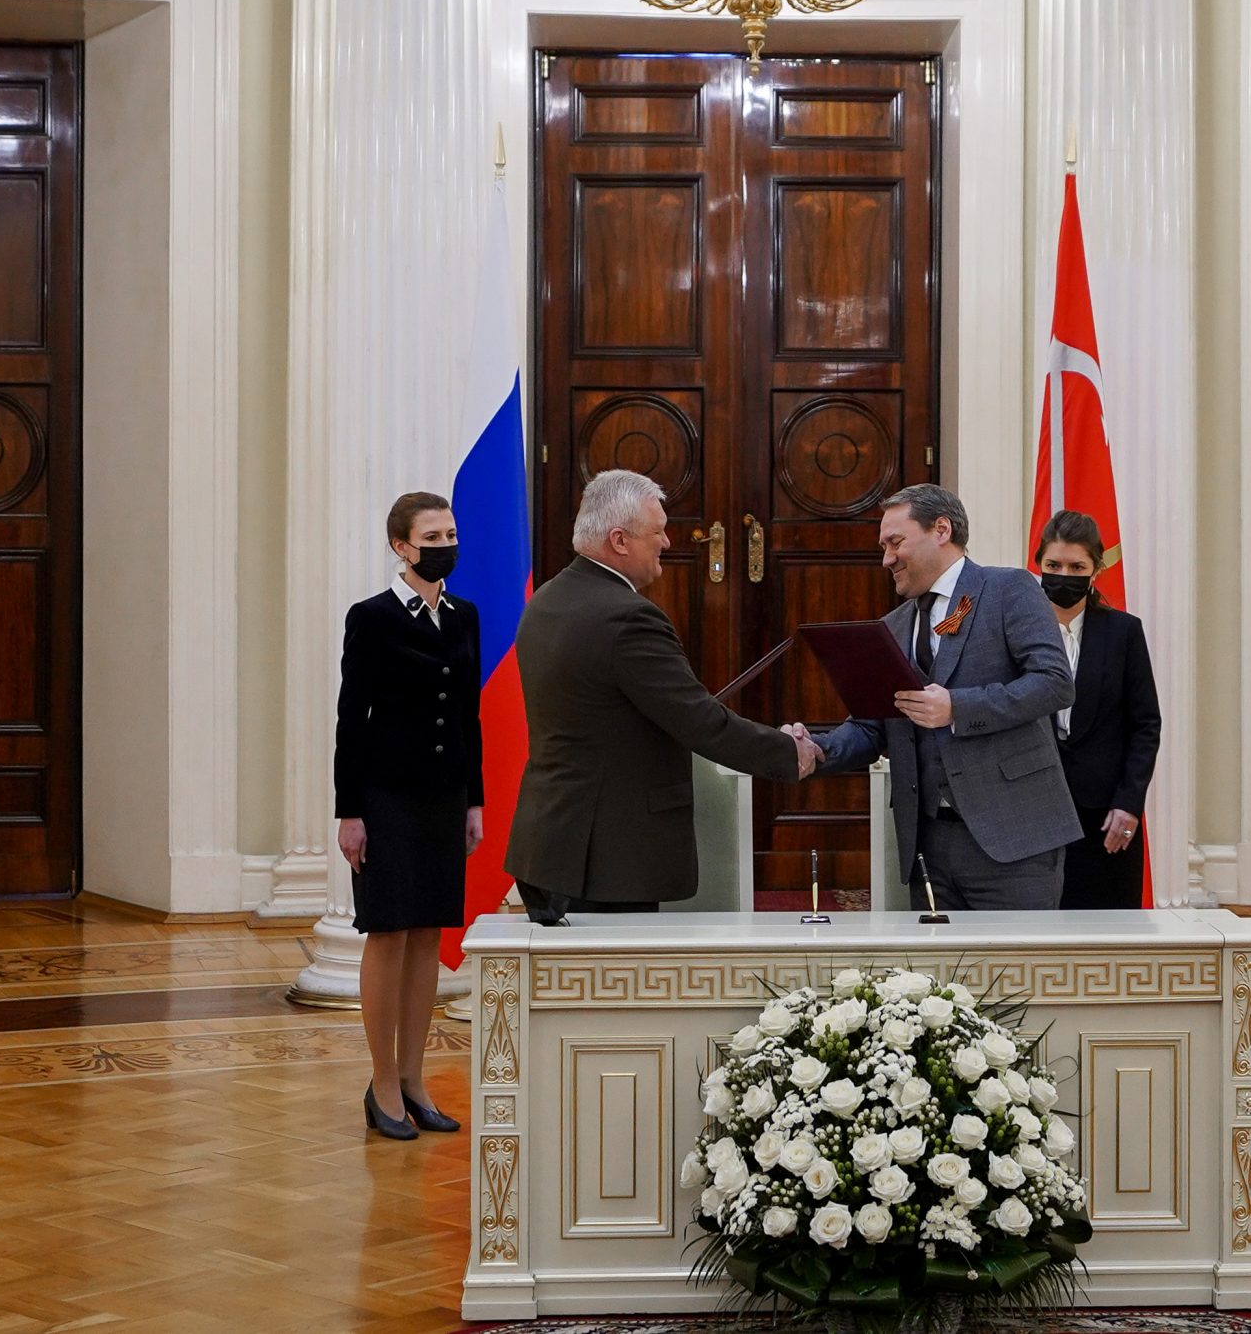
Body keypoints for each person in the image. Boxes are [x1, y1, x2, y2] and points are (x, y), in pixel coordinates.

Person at [503, 469, 817, 924]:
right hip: (609, 857)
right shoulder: (628, 618)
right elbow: (699, 721)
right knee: (614, 971)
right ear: (619, 540)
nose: (667, 543)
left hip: (552, 844)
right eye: (657, 532)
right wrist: (788, 752)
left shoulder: (547, 599)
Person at [801, 484, 1080, 911]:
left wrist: (957, 708)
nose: (887, 559)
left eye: (895, 542)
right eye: (883, 547)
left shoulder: (1009, 588)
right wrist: (815, 749)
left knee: (1017, 959)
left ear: (941, 530)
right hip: (928, 847)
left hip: (1015, 840)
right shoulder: (893, 626)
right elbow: (872, 725)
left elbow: (1054, 682)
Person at [336, 491, 485, 1143]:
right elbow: (351, 719)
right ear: (401, 546)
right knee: (389, 933)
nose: (445, 544)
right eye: (432, 536)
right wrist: (349, 811)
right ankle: (383, 1085)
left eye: (450, 533)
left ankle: (415, 1079)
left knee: (428, 935)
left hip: (444, 798)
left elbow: (468, 716)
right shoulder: (371, 618)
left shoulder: (464, 615)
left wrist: (473, 801)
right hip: (386, 799)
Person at [1034, 510, 1162, 909]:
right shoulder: (1016, 630)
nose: (1064, 575)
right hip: (1034, 810)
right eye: (1054, 565)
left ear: (1096, 570)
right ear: (1038, 565)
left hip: (1106, 814)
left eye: (1077, 567)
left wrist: (1129, 802)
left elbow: (1145, 725)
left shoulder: (1124, 631)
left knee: (1108, 928)